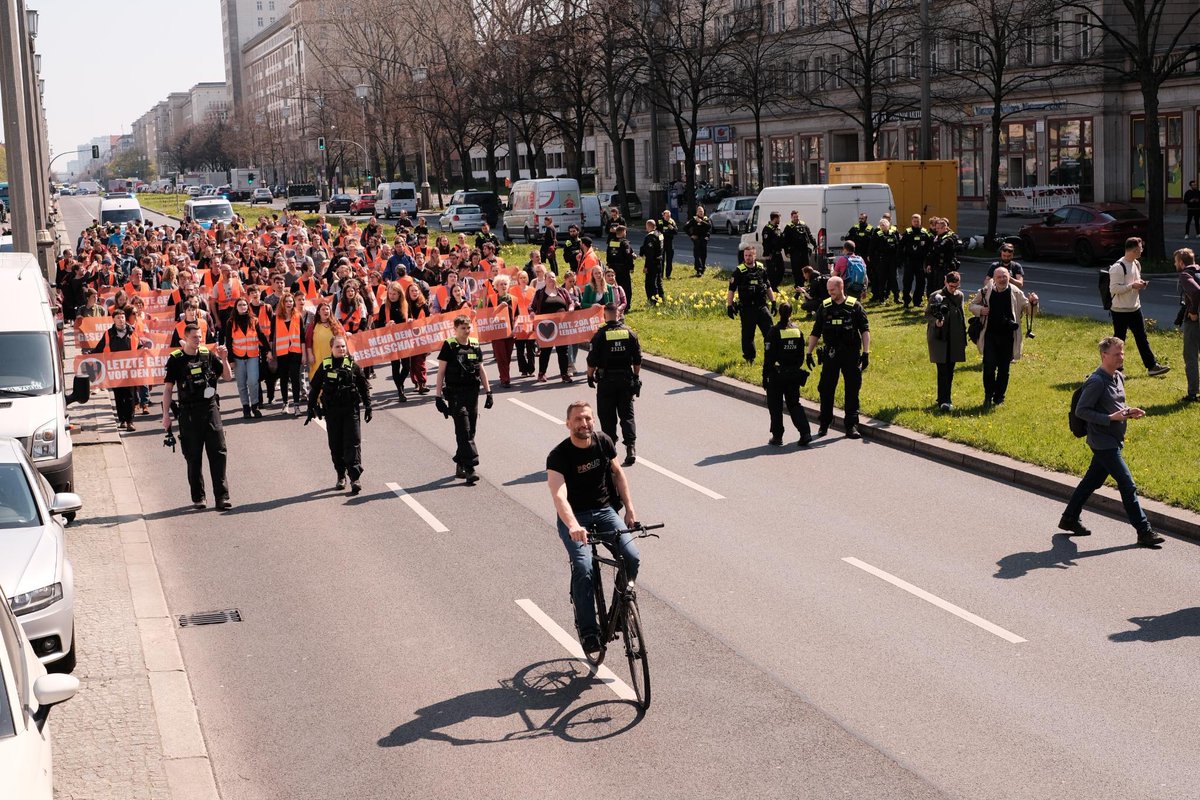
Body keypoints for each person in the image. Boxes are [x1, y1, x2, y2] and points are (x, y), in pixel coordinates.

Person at [546, 400, 639, 655]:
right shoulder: (558, 456)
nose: (583, 423)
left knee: (631, 557)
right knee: (584, 568)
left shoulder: (603, 442)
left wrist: (629, 508)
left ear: (593, 421)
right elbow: (559, 496)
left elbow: (618, 473)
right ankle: (589, 632)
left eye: (587, 418)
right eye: (578, 419)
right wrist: (574, 525)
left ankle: (619, 611)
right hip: (574, 518)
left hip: (604, 511)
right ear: (568, 424)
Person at [1058, 337, 1164, 548]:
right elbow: (1082, 411)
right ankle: (1144, 531)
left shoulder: (1118, 377)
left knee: (1091, 481)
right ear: (1104, 356)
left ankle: (1069, 518)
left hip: (1114, 439)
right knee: (1127, 484)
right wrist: (1109, 419)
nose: (1121, 357)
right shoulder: (1097, 381)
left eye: (1122, 353)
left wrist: (1129, 412)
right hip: (1102, 441)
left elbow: (1115, 406)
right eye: (1116, 354)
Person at [161, 324, 233, 510]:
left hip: (210, 410)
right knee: (193, 457)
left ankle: (222, 497)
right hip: (189, 413)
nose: (198, 340)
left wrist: (224, 359)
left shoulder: (206, 354)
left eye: (200, 337)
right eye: (194, 337)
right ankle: (199, 497)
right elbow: (168, 389)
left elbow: (227, 377)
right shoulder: (176, 360)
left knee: (219, 453)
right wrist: (165, 415)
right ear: (186, 337)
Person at [305, 336, 372, 494]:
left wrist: (368, 406)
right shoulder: (326, 365)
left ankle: (355, 478)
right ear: (331, 348)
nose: (341, 349)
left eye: (343, 346)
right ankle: (341, 475)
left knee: (353, 443)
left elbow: (363, 386)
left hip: (351, 410)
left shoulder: (352, 365)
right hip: (332, 412)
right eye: (338, 347)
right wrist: (310, 408)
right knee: (336, 445)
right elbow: (314, 388)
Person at [805, 276, 870, 439]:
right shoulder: (825, 307)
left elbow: (865, 330)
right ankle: (824, 424)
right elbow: (815, 331)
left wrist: (866, 353)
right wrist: (809, 352)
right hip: (831, 354)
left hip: (850, 353)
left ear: (841, 287)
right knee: (826, 389)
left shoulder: (855, 306)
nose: (830, 293)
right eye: (828, 290)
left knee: (852, 389)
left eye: (832, 290)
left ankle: (851, 426)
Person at [434, 315, 493, 485]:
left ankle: (460, 463)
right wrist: (437, 397)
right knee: (464, 430)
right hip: (455, 394)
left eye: (468, 328)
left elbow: (481, 369)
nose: (466, 331)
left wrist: (489, 392)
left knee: (471, 430)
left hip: (472, 393)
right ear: (455, 329)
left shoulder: (474, 345)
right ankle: (470, 468)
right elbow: (441, 372)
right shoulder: (449, 345)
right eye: (463, 328)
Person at [968, 267, 1038, 406]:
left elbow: (1030, 311)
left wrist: (1034, 302)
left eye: (1004, 276)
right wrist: (981, 310)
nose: (1002, 279)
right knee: (988, 367)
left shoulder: (1016, 292)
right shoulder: (986, 290)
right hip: (990, 335)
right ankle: (988, 396)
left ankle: (999, 397)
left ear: (1009, 277)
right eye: (999, 277)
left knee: (1004, 369)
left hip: (1008, 336)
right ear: (994, 278)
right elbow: (972, 305)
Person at [587, 303, 642, 466]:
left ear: (605, 316)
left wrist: (590, 376)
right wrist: (636, 377)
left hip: (606, 381)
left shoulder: (600, 335)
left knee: (607, 417)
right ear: (618, 315)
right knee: (627, 416)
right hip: (625, 380)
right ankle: (631, 448)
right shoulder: (630, 333)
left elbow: (592, 361)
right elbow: (637, 359)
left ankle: (611, 452)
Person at [1109, 237, 1170, 377]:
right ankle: (1117, 370)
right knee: (1119, 340)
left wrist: (1140, 283)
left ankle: (1152, 367)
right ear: (1134, 250)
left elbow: (1133, 281)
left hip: (1135, 308)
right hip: (1120, 310)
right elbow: (1114, 289)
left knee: (1142, 338)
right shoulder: (1118, 267)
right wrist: (1132, 286)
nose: (1142, 251)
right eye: (1140, 248)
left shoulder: (1136, 263)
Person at [763, 301, 812, 447]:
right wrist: (794, 369)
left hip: (777, 374)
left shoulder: (773, 331)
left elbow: (769, 357)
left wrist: (765, 376)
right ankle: (805, 433)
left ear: (779, 313)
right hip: (793, 375)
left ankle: (777, 437)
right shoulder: (797, 331)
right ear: (791, 314)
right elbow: (801, 356)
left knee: (775, 406)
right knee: (794, 404)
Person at [89, 308, 140, 431]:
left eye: (122, 317)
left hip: (129, 370)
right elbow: (99, 348)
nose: (121, 320)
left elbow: (140, 347)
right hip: (115, 371)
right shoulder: (108, 334)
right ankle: (122, 419)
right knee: (119, 395)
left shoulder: (132, 332)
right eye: (118, 318)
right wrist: (89, 355)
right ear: (114, 320)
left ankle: (130, 421)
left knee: (130, 396)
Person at [925, 271, 968, 411]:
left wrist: (963, 335)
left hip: (954, 337)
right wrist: (936, 322)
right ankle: (944, 401)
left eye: (956, 286)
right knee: (942, 369)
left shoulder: (960, 295)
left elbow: (961, 314)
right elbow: (928, 314)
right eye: (951, 286)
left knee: (950, 369)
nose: (954, 289)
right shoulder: (936, 296)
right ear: (945, 282)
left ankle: (945, 397)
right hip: (939, 337)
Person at [726, 245, 776, 363]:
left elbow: (768, 287)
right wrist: (729, 305)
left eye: (750, 255)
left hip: (761, 307)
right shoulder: (739, 271)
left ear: (755, 256)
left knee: (770, 333)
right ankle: (749, 358)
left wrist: (774, 302)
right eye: (745, 255)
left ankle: (771, 356)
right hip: (747, 308)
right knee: (748, 335)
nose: (747, 258)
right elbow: (731, 290)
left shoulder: (761, 269)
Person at [223, 297, 269, 418]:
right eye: (240, 305)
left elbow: (261, 336)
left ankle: (255, 405)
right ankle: (246, 407)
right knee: (241, 384)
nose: (242, 307)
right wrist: (230, 360)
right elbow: (228, 342)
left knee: (253, 381)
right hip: (238, 357)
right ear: (236, 307)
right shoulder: (230, 322)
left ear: (247, 307)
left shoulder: (254, 320)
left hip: (253, 356)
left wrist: (268, 350)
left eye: (244, 305)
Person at [533, 271, 574, 382]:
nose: (551, 279)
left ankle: (564, 374)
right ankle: (541, 373)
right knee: (545, 351)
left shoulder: (563, 291)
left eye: (553, 277)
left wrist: (570, 308)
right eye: (549, 277)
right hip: (546, 327)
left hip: (561, 325)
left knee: (563, 351)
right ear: (545, 280)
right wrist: (532, 314)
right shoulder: (539, 293)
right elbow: (531, 308)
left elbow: (571, 303)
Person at [1176, 247, 1200, 402]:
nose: (1174, 264)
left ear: (1181, 262)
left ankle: (1192, 393)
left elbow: (1196, 291)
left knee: (1190, 355)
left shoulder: (1185, 275)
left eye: (1175, 261)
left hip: (1195, 321)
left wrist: (1193, 311)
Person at [900, 214, 932, 308]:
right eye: (914, 221)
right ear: (911, 221)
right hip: (909, 261)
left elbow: (930, 246)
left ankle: (917, 301)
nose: (916, 223)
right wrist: (901, 259)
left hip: (920, 262)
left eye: (918, 221)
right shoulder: (907, 232)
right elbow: (901, 246)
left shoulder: (925, 232)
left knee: (921, 282)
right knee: (907, 282)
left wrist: (928, 259)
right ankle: (906, 301)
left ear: (920, 221)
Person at [925, 218, 961, 299]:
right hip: (936, 266)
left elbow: (938, 249)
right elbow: (932, 252)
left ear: (944, 228)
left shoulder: (948, 238)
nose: (936, 230)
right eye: (936, 228)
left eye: (938, 228)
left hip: (945, 267)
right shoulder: (938, 237)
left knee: (943, 286)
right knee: (933, 285)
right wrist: (929, 264)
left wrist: (936, 245)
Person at [870, 217, 902, 303]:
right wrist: (874, 261)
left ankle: (896, 297)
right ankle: (881, 298)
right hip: (882, 260)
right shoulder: (877, 234)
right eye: (881, 225)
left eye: (884, 225)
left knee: (893, 279)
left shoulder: (892, 234)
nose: (882, 226)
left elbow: (897, 246)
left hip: (892, 260)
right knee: (882, 279)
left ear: (888, 225)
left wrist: (898, 259)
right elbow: (872, 248)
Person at [606, 225, 636, 312]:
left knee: (615, 287)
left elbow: (608, 254)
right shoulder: (624, 243)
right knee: (625, 288)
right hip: (623, 268)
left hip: (613, 268)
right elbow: (628, 256)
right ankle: (626, 306)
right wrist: (631, 267)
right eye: (625, 232)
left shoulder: (611, 242)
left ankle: (615, 304)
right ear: (623, 232)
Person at [783, 210, 816, 287]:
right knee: (796, 269)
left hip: (804, 250)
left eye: (797, 217)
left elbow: (809, 235)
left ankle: (806, 283)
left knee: (806, 267)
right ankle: (798, 284)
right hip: (794, 251)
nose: (796, 218)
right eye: (794, 217)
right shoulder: (788, 227)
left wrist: (814, 244)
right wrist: (786, 251)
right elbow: (785, 241)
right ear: (791, 217)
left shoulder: (803, 225)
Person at [639, 219, 664, 305]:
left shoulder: (650, 237)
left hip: (652, 263)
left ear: (648, 226)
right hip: (659, 261)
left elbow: (650, 254)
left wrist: (646, 266)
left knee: (650, 283)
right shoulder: (660, 234)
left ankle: (653, 301)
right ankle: (662, 298)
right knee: (658, 281)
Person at [761, 211, 786, 290]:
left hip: (778, 253)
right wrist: (767, 254)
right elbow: (766, 243)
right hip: (771, 254)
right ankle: (772, 288)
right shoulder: (767, 229)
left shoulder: (777, 228)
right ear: (775, 218)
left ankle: (775, 286)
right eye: (779, 218)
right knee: (772, 272)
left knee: (781, 270)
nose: (779, 220)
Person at [685, 206, 711, 276]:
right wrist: (691, 235)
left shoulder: (706, 219)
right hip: (696, 239)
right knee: (697, 255)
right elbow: (685, 227)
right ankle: (698, 270)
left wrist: (701, 222)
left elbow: (709, 226)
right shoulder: (694, 219)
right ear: (697, 212)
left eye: (702, 211)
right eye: (699, 211)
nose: (701, 213)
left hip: (704, 239)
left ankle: (702, 268)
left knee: (704, 255)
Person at [659, 209, 678, 279]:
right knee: (661, 259)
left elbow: (676, 231)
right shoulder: (660, 221)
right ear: (663, 216)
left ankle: (668, 275)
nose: (668, 218)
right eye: (666, 216)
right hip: (662, 242)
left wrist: (672, 228)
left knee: (669, 259)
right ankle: (661, 275)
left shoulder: (672, 221)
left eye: (669, 216)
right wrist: (666, 231)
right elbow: (659, 231)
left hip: (670, 243)